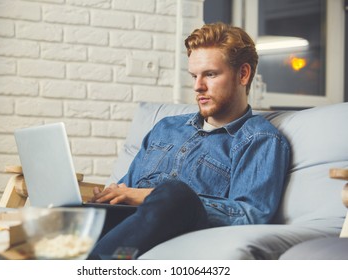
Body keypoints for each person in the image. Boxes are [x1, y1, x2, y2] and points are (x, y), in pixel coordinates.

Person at [88, 22, 291, 259]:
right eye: (194, 76)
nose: (197, 86)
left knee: (176, 194)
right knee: (64, 215)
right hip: (126, 224)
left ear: (243, 74)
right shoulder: (166, 127)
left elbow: (250, 214)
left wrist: (149, 195)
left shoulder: (259, 139)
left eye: (210, 74)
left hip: (174, 231)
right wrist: (110, 195)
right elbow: (127, 189)